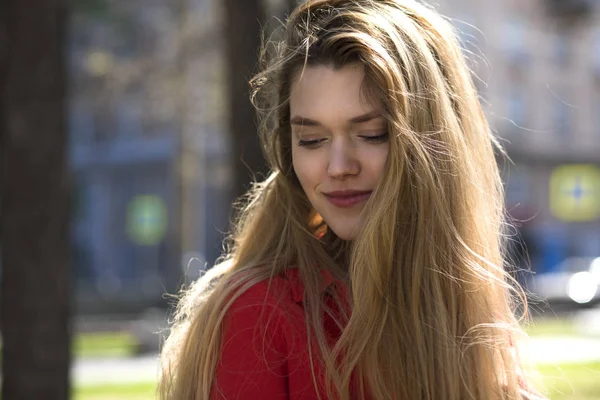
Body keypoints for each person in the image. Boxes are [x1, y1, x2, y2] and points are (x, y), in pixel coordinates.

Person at [160, 0, 545, 398]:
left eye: (372, 133)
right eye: (311, 139)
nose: (339, 166)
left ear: (435, 145)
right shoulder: (258, 315)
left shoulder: (474, 317)